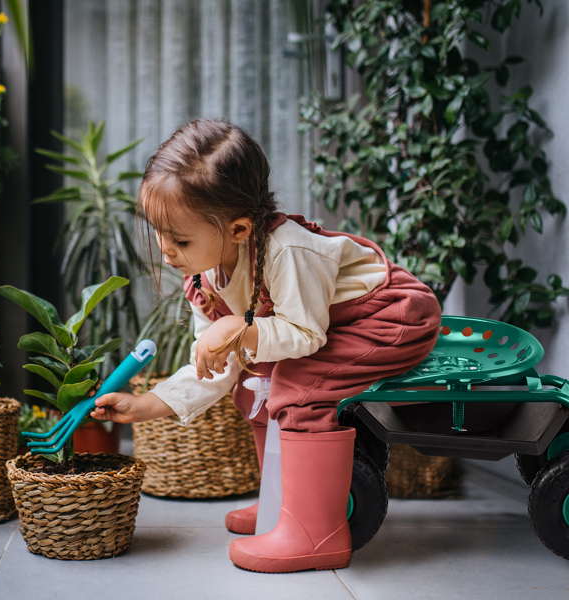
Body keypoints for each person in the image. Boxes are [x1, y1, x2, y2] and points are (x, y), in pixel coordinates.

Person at [90, 118, 442, 573]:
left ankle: (316, 534)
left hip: (387, 317)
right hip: (333, 326)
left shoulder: (288, 251)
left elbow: (305, 334)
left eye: (179, 238)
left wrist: (238, 328)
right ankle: (281, 503)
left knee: (299, 384)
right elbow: (219, 366)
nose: (166, 250)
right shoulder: (205, 278)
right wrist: (147, 405)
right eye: (158, 232)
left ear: (238, 229)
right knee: (254, 386)